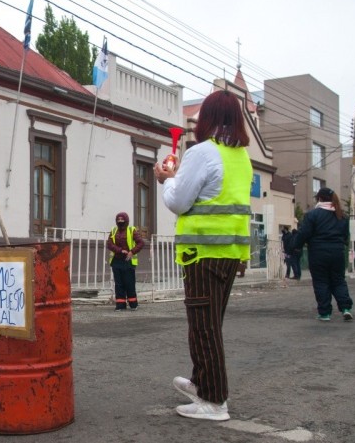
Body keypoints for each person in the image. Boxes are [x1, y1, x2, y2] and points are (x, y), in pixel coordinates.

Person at [153, 90, 252, 421]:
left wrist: (166, 179)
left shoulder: (203, 152)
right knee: (210, 324)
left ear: (206, 119)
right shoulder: (240, 158)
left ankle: (213, 401)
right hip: (229, 253)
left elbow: (178, 201)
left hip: (202, 255)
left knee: (204, 328)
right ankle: (202, 384)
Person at [292, 187, 353, 321]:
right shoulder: (341, 216)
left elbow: (304, 233)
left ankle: (325, 313)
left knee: (321, 282)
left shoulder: (312, 215)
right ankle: (346, 308)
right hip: (337, 253)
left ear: (319, 198)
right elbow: (345, 236)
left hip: (318, 253)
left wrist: (296, 246)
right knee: (338, 281)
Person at [105, 212, 145, 311]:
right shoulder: (114, 230)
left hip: (128, 261)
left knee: (129, 283)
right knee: (118, 284)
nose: (120, 222)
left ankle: (133, 304)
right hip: (116, 261)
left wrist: (132, 252)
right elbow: (109, 244)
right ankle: (120, 305)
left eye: (122, 220)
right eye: (118, 220)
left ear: (126, 221)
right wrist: (120, 250)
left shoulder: (132, 230)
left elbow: (141, 242)